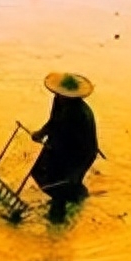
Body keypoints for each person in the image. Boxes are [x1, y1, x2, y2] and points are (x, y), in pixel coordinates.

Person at [30, 72, 100, 221]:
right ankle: (75, 196)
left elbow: (88, 149)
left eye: (64, 96)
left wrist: (77, 172)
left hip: (78, 153)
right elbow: (53, 121)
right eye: (60, 94)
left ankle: (57, 227)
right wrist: (41, 133)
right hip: (59, 145)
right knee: (39, 172)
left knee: (62, 184)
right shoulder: (58, 101)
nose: (60, 97)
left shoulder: (82, 114)